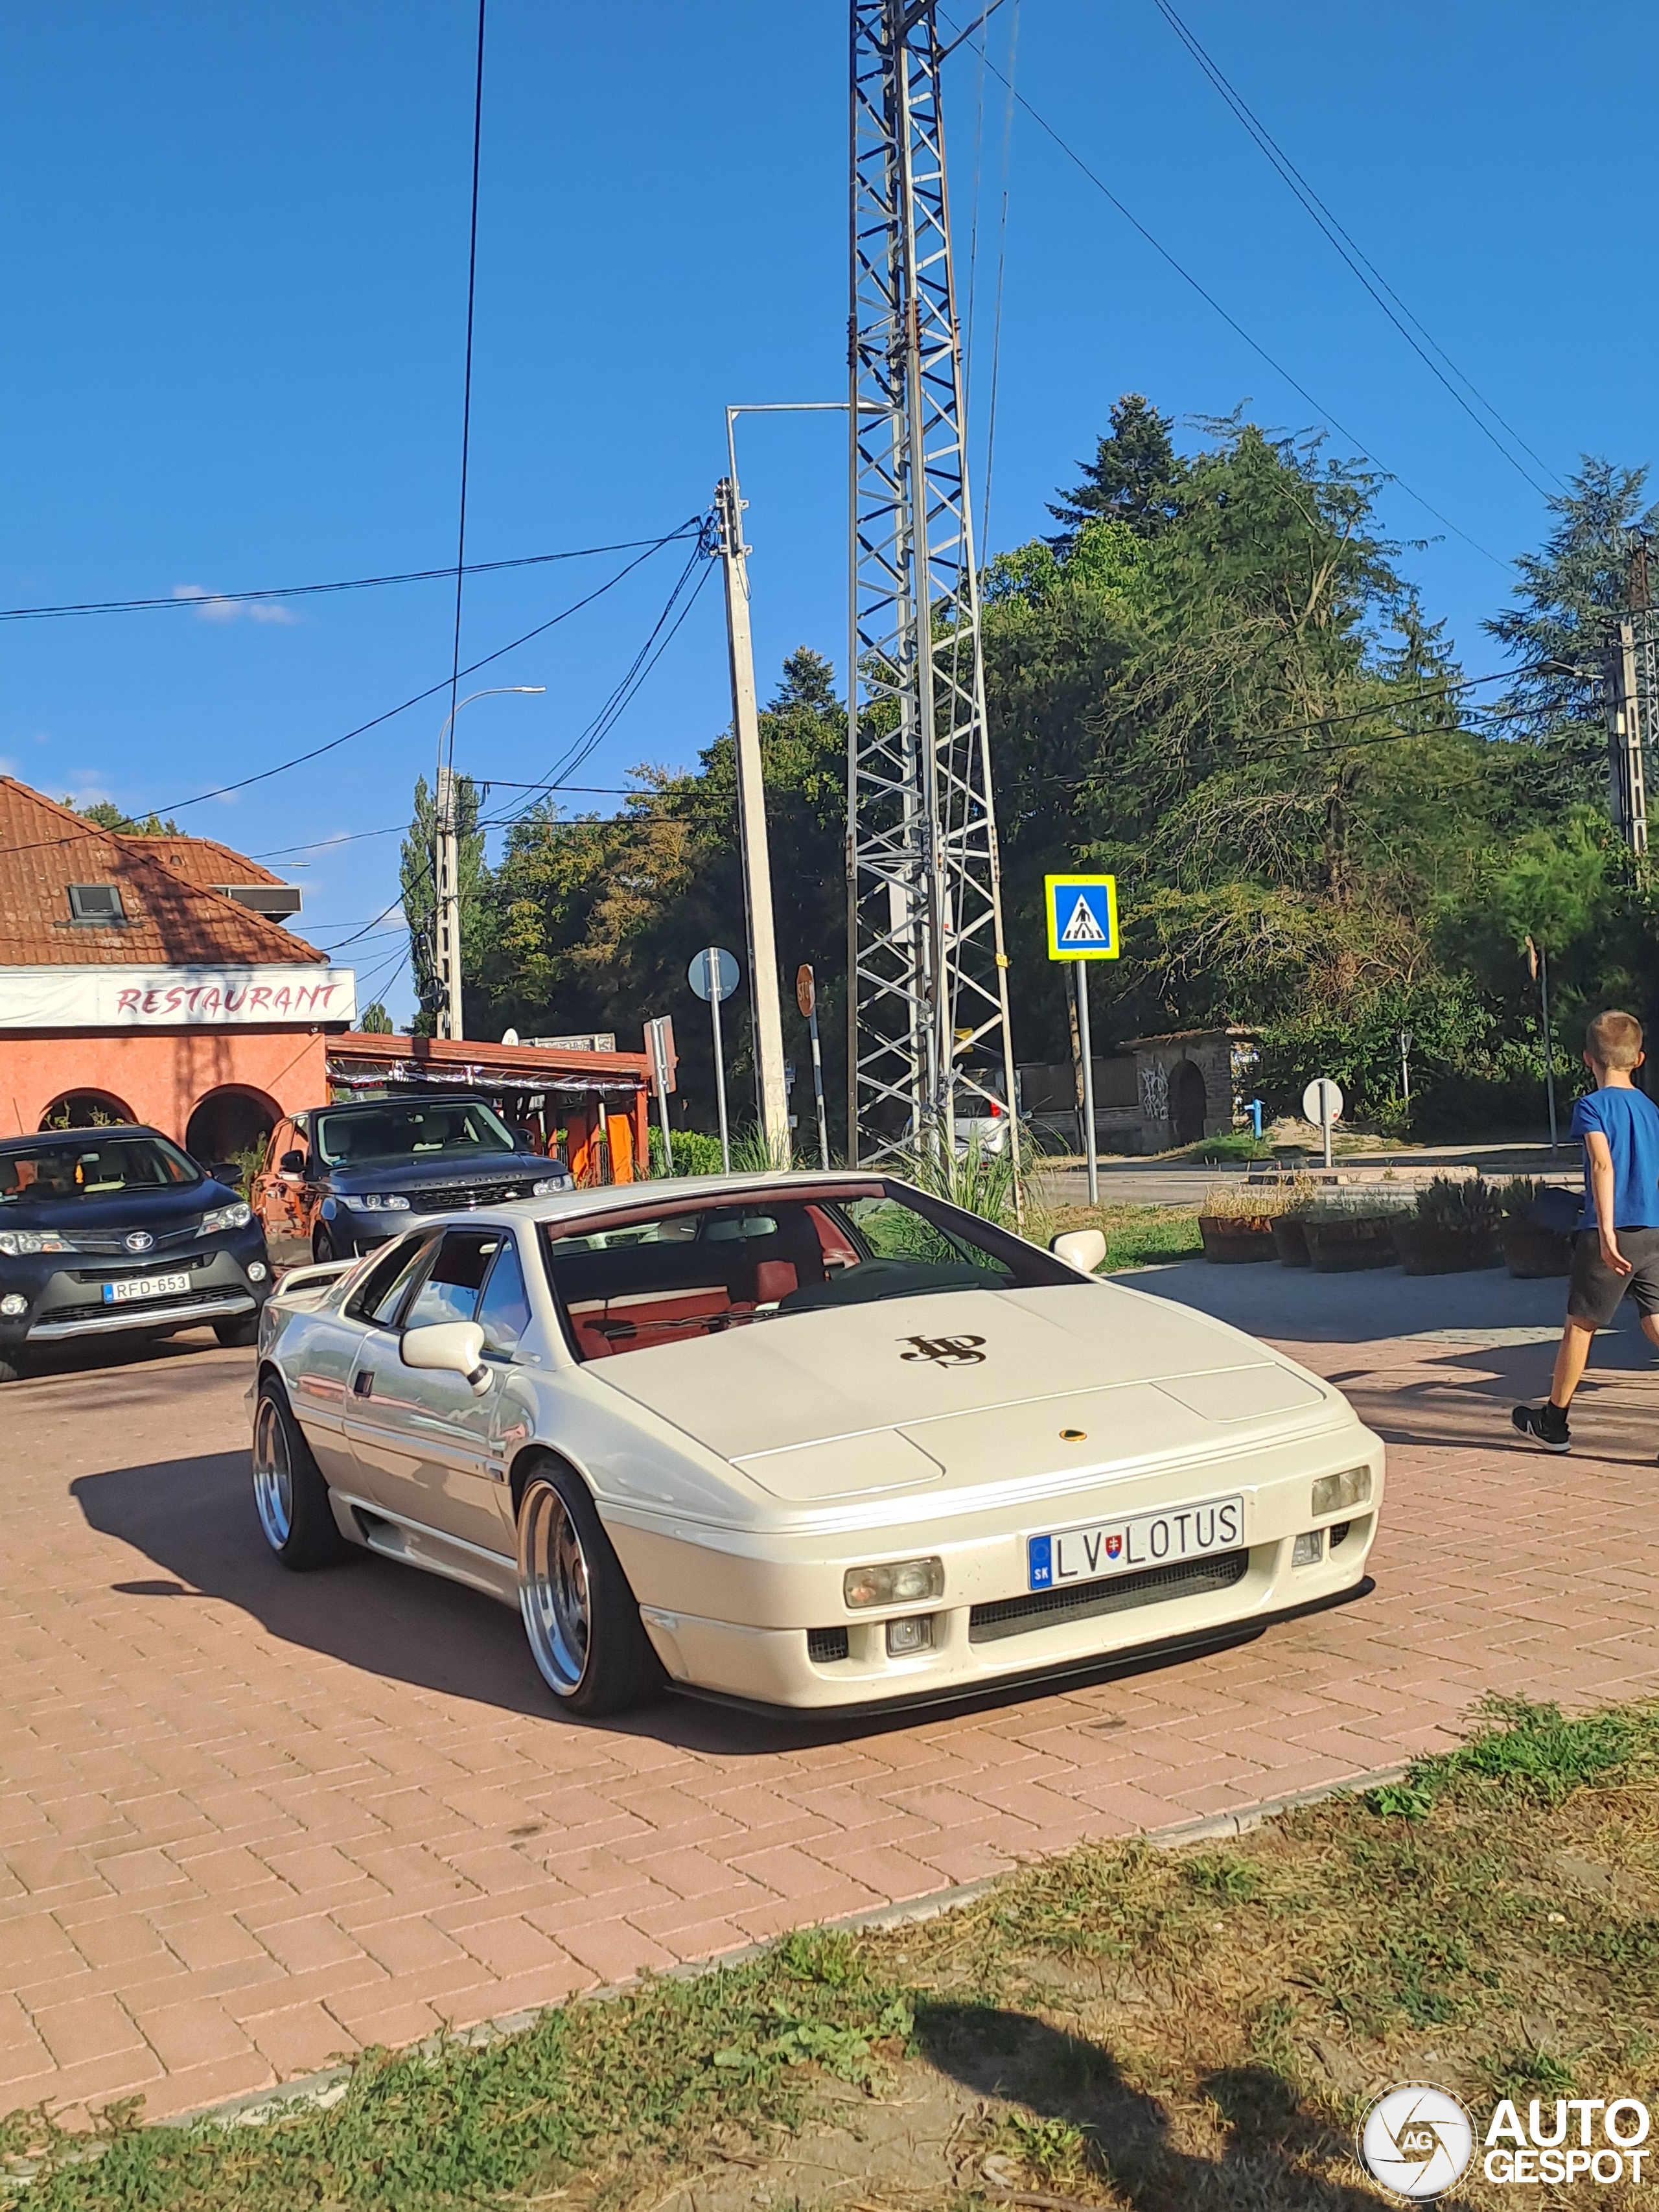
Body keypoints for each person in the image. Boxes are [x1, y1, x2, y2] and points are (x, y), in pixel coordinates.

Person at [1513, 1009, 1659, 1452]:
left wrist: (1608, 1231)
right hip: (1654, 1228)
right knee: (1655, 1321)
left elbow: (1601, 1163)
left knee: (1581, 1324)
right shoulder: (1651, 1110)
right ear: (1639, 1059)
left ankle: (1554, 1422)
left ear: (1587, 1059)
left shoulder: (1592, 1106)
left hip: (1608, 1231)